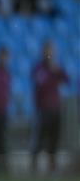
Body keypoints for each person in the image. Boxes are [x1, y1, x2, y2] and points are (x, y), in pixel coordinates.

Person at [31, 41, 69, 173]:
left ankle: (52, 167)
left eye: (52, 51)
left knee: (54, 139)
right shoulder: (39, 68)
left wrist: (56, 70)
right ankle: (34, 167)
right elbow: (39, 83)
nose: (50, 53)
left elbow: (67, 79)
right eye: (48, 51)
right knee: (40, 138)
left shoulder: (56, 68)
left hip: (55, 108)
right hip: (43, 109)